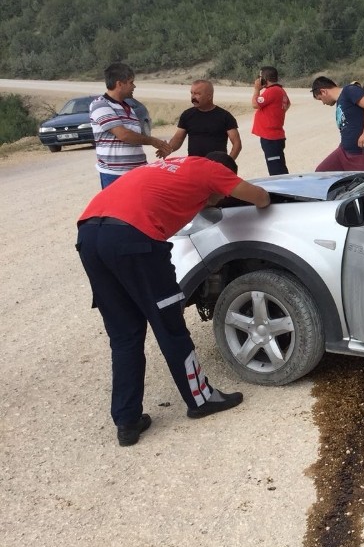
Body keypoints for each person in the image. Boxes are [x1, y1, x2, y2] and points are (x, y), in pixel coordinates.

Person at [76, 152, 271, 446]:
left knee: (125, 335)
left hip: (90, 234)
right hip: (134, 240)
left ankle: (127, 422)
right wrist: (230, 194)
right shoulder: (210, 170)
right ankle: (202, 400)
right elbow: (260, 197)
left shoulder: (173, 165)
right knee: (170, 327)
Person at [90, 62, 172, 189]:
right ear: (119, 84)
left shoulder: (128, 108)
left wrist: (162, 146)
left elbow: (135, 137)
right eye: (131, 82)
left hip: (138, 171)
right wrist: (153, 141)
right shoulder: (101, 105)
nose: (134, 86)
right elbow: (124, 135)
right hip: (115, 175)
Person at [311, 76, 364, 171]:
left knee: (362, 184)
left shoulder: (349, 90)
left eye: (320, 99)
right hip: (345, 152)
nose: (323, 103)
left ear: (323, 92)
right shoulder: (340, 102)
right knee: (322, 173)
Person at [167, 79, 242, 159]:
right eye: (192, 93)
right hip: (194, 164)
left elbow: (237, 144)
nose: (193, 97)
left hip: (216, 165)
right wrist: (167, 149)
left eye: (197, 94)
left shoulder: (225, 117)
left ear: (209, 96)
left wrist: (228, 163)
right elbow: (178, 139)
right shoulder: (187, 115)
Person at [251, 66, 291, 175]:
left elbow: (255, 104)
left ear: (264, 78)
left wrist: (256, 89)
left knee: (276, 170)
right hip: (274, 136)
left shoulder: (272, 91)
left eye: (260, 77)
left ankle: (282, 190)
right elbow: (288, 104)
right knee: (278, 166)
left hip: (270, 137)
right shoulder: (280, 90)